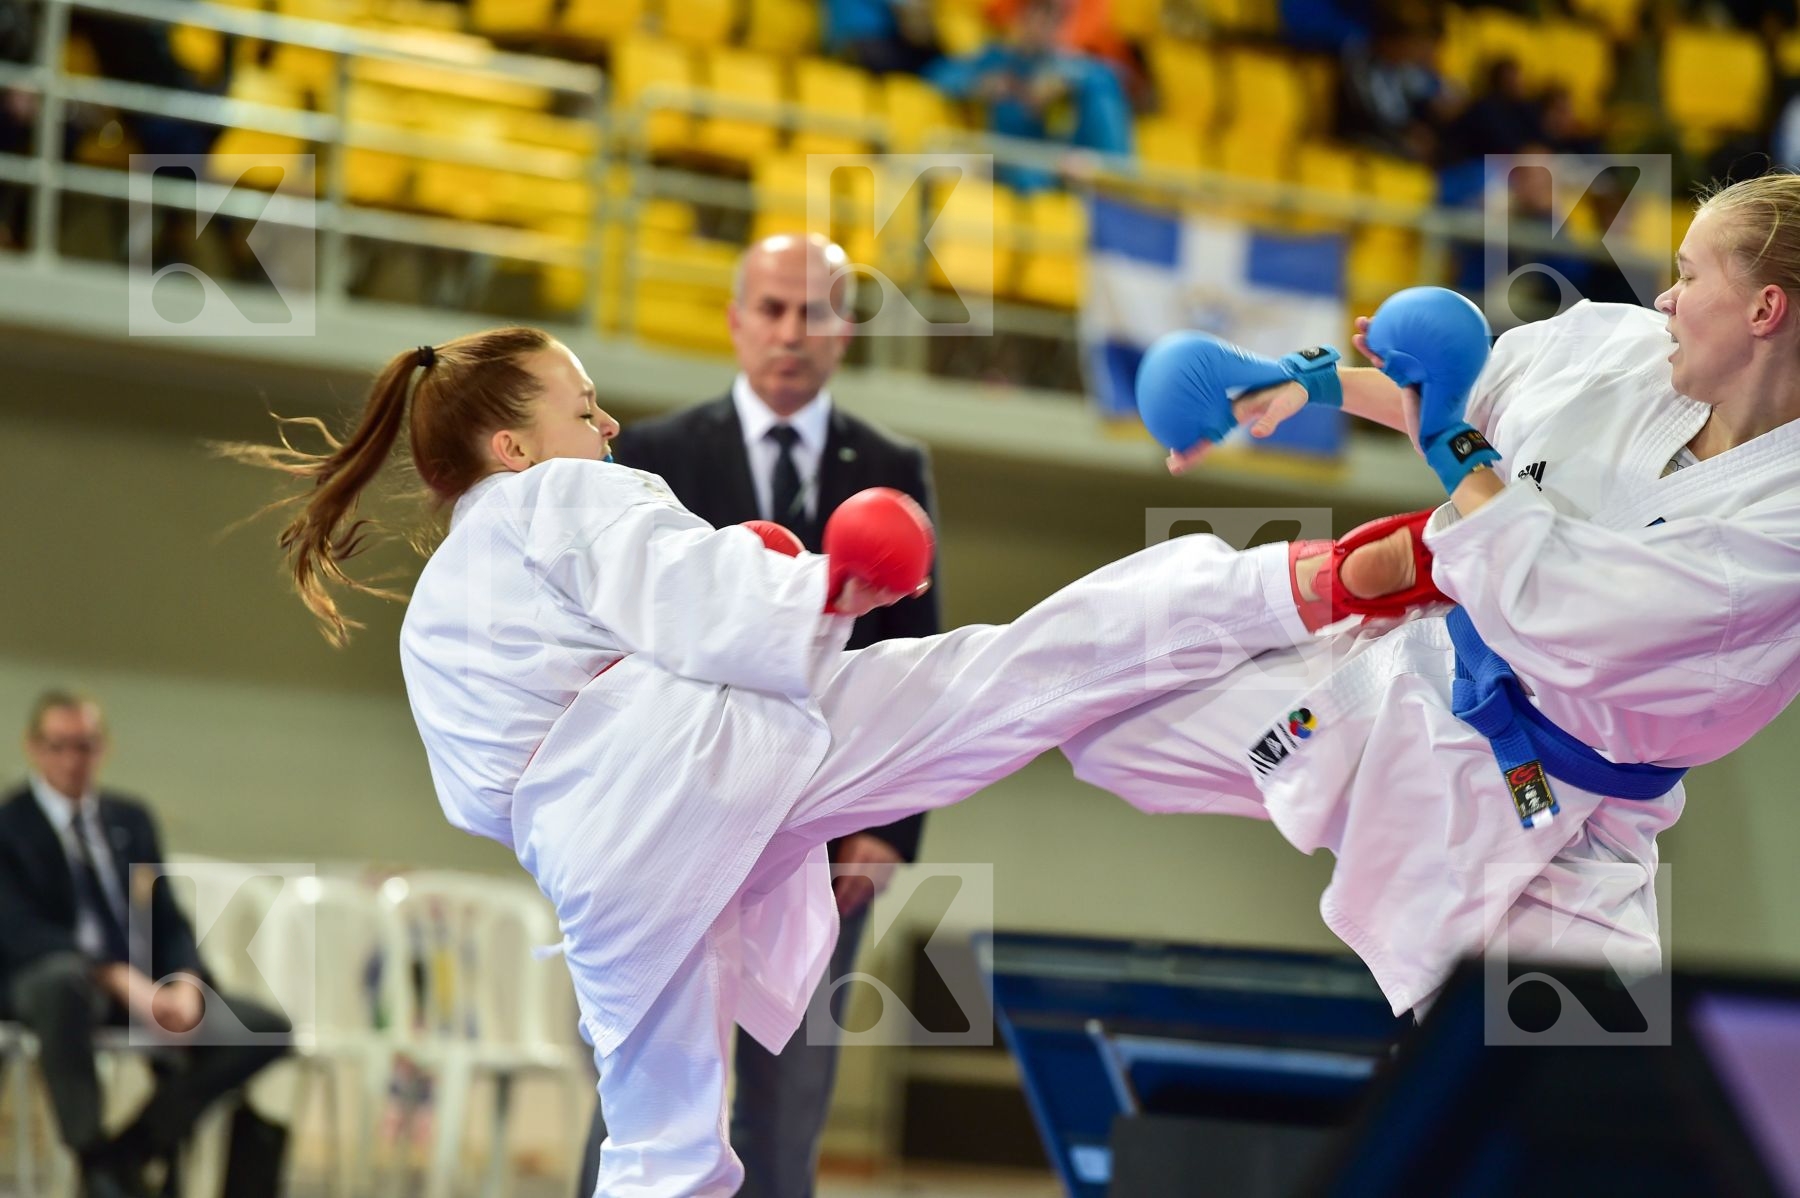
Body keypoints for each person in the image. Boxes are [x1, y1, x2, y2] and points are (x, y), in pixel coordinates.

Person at [223, 307, 1431, 1192]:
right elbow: (685, 589)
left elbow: (485, 794)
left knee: (660, 1144)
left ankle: (1298, 630)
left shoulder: (434, 615)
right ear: (512, 449)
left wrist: (739, 622)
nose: (610, 421)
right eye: (581, 408)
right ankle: (1303, 581)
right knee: (1016, 670)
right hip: (702, 767)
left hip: (602, 875)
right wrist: (823, 587)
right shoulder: (563, 497)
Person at [1064, 173, 1800, 1020]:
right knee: (1109, 727)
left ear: (1764, 308)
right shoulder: (1629, 354)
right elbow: (1466, 394)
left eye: (1690, 274)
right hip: (1430, 694)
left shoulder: (1780, 529)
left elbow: (1560, 596)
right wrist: (1313, 384)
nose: (1665, 297)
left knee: (1564, 1070)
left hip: (1576, 819)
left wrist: (1453, 443)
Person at [574, 233, 939, 1198]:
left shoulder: (894, 466)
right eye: (772, 310)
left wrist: (891, 829)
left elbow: (916, 657)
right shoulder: (652, 455)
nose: (791, 331)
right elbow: (621, 642)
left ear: (844, 329)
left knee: (787, 1107)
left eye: (813, 311)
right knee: (643, 1099)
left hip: (826, 834)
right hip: (674, 822)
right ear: (737, 322)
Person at [0, 692, 292, 1198]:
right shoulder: (10, 824)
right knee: (62, 982)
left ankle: (134, 1149)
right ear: (33, 747)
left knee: (263, 1029)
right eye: (58, 745)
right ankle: (92, 1158)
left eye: (85, 745)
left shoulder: (129, 820)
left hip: (143, 988)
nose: (72, 759)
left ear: (104, 747)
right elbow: (19, 929)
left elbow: (167, 918)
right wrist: (117, 978)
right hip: (54, 986)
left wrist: (186, 983)